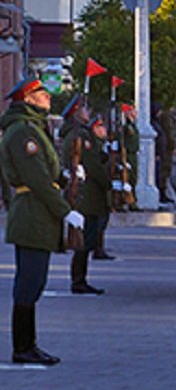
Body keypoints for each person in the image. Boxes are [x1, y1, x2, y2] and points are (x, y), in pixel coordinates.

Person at [0, 77, 83, 365]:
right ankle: (23, 347)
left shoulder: (33, 128)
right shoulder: (24, 132)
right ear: (28, 98)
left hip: (37, 212)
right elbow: (36, 178)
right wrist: (65, 211)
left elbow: (48, 171)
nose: (48, 97)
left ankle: (28, 344)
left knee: (33, 282)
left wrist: (66, 177)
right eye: (42, 94)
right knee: (29, 283)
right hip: (32, 212)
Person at [60, 111, 110, 295]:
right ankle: (78, 280)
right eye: (84, 110)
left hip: (86, 194)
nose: (87, 112)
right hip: (88, 195)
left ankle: (80, 279)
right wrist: (108, 184)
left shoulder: (77, 135)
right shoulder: (81, 136)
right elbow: (93, 166)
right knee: (85, 240)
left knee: (87, 239)